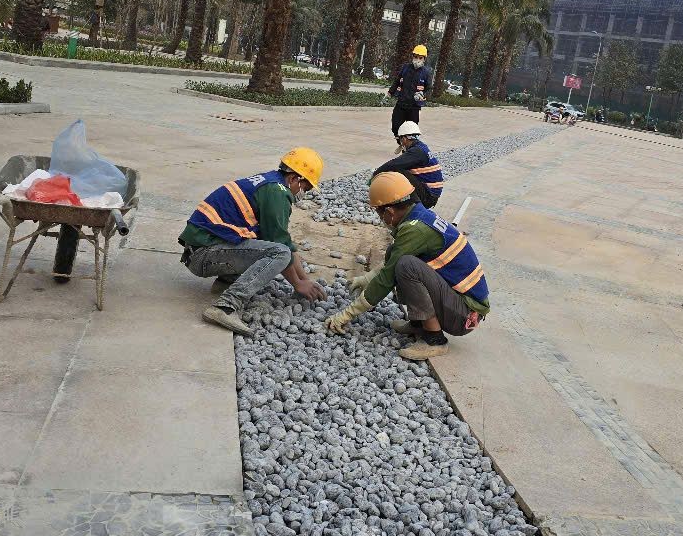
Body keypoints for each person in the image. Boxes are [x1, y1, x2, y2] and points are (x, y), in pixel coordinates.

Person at [325, 172, 489, 361]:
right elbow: (392, 261)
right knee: (399, 256)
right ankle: (419, 324)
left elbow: (387, 278)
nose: (380, 217)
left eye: (379, 212)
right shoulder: (418, 215)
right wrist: (366, 279)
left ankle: (434, 340)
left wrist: (347, 314)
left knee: (407, 266)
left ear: (389, 211)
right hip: (459, 304)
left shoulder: (415, 229)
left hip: (464, 315)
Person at [179, 147, 327, 333]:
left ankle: (227, 279)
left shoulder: (270, 182)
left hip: (201, 251)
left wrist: (305, 281)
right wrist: (298, 283)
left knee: (273, 247)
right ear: (294, 178)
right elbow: (281, 249)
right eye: (305, 187)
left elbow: (285, 242)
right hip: (203, 255)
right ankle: (225, 307)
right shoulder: (278, 193)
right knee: (278, 254)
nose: (303, 192)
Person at [371, 120, 444, 208]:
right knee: (401, 168)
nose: (401, 143)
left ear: (404, 138)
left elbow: (393, 164)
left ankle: (400, 203)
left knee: (397, 170)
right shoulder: (420, 147)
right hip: (430, 194)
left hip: (428, 197)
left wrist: (375, 175)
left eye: (400, 140)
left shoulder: (416, 151)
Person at [387, 44, 432, 134]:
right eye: (416, 57)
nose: (417, 60)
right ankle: (401, 144)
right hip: (401, 103)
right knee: (395, 127)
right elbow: (397, 81)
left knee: (411, 131)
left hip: (414, 107)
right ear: (412, 57)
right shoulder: (405, 68)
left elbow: (429, 89)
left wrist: (423, 95)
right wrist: (390, 92)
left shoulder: (426, 73)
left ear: (424, 59)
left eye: (420, 58)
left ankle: (409, 147)